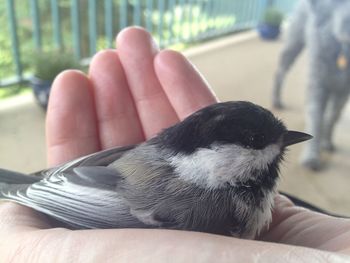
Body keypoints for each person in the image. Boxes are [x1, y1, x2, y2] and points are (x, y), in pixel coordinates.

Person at [0, 27, 349, 262]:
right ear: (210, 156)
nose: (279, 146)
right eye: (258, 142)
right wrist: (29, 191)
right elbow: (105, 209)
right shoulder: (224, 211)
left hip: (84, 177)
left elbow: (105, 166)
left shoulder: (178, 164)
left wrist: (40, 183)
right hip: (84, 202)